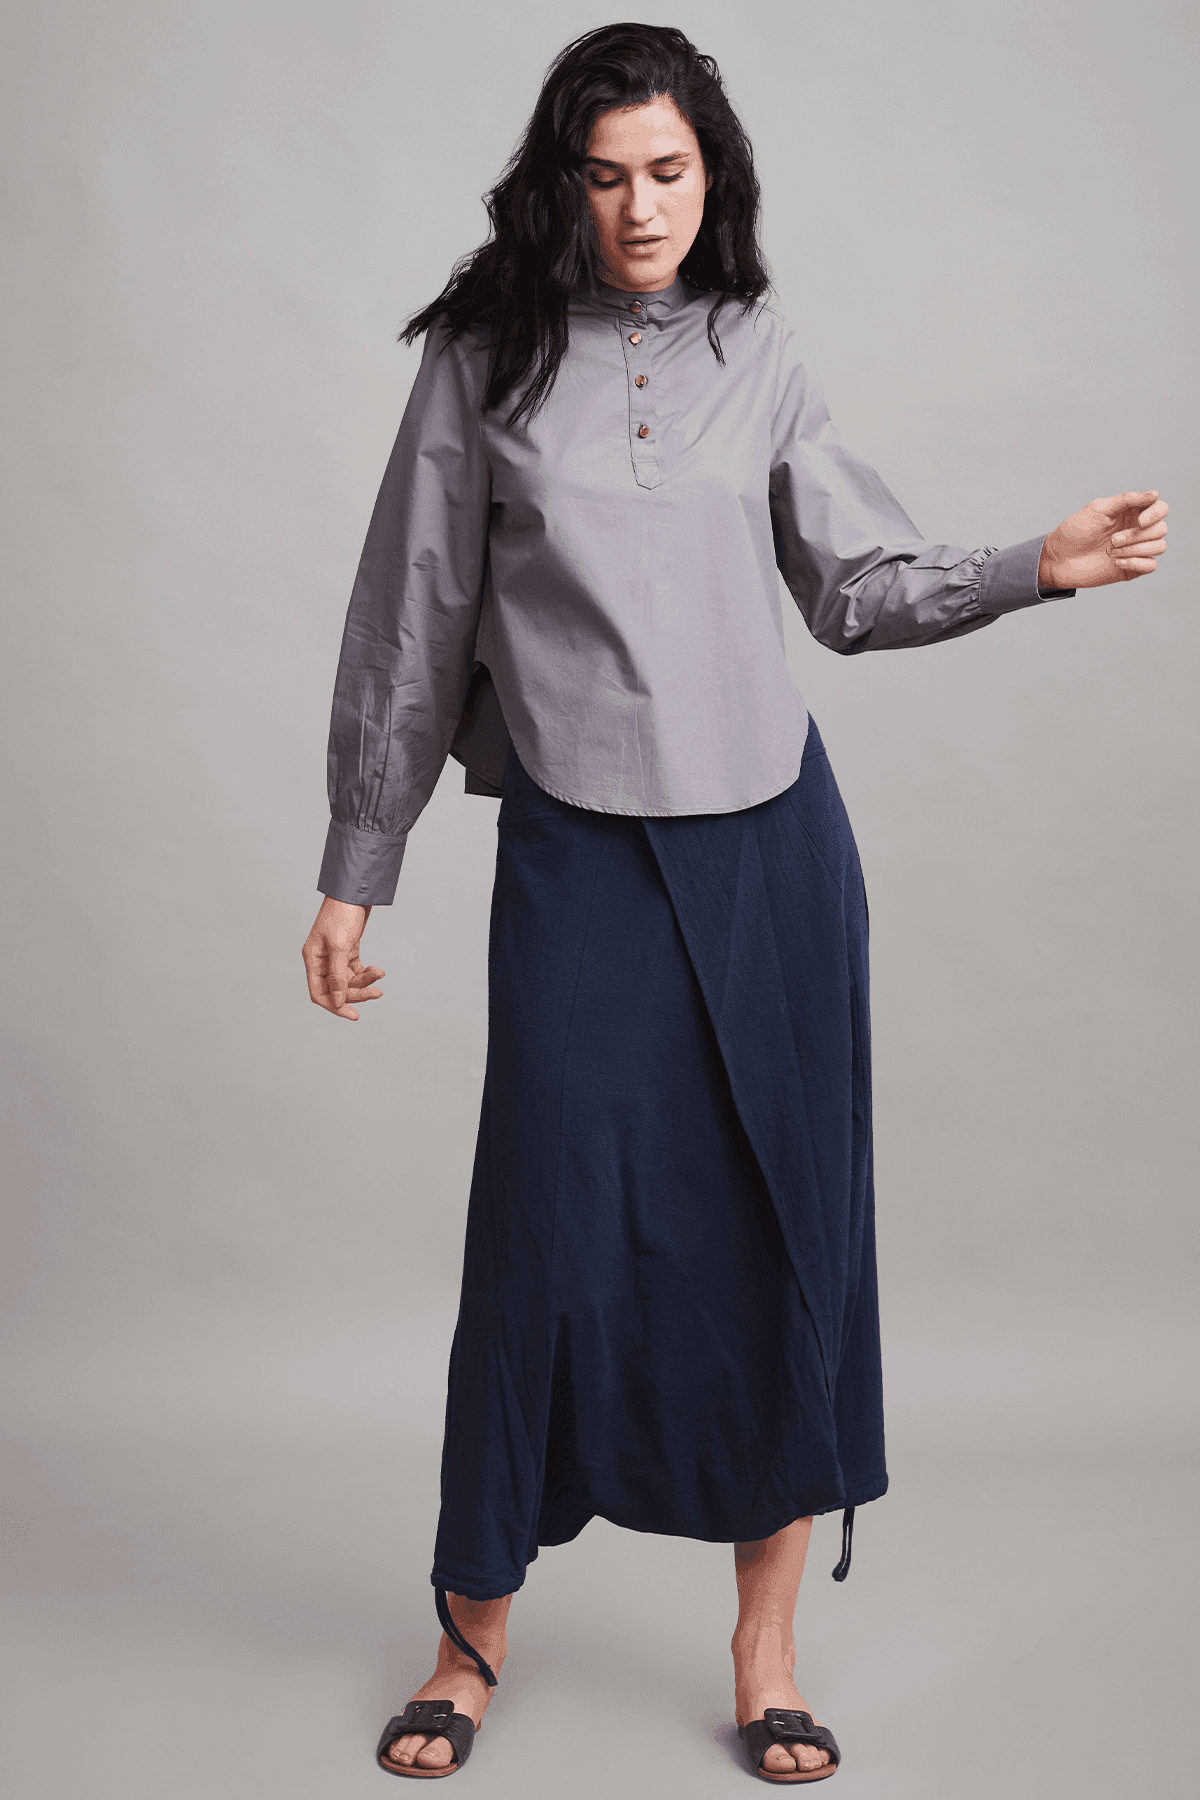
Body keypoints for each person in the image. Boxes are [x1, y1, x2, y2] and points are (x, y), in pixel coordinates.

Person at [301, 22, 1167, 1786]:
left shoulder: (759, 349)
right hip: (578, 846)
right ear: (563, 185)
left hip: (771, 853)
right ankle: (470, 1635)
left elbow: (853, 587)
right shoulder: (480, 360)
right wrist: (355, 865)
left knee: (785, 1227)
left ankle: (766, 1647)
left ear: (715, 177)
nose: (641, 208)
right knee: (540, 1239)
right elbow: (411, 615)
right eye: (607, 175)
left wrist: (1038, 565)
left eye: (670, 172)